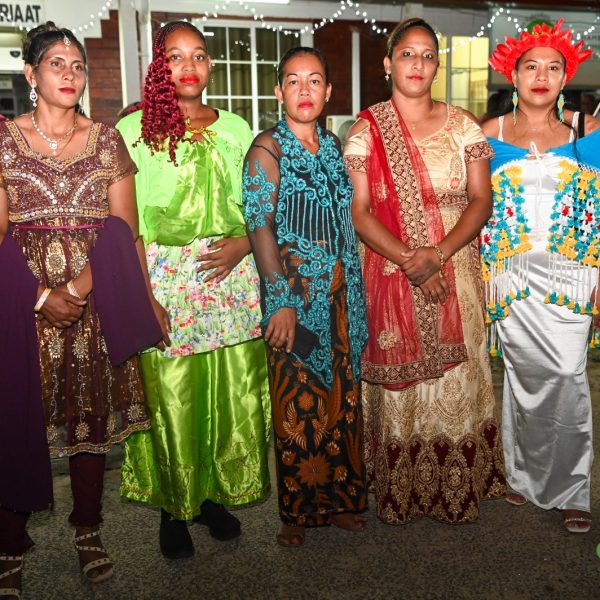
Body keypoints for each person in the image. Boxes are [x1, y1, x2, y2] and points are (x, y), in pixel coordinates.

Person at [0, 22, 165, 598]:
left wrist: (130, 295)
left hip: (94, 299)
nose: (69, 75)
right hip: (19, 302)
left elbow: (126, 231)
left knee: (89, 419)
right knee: (16, 414)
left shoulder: (106, 141)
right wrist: (40, 297)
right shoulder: (3, 140)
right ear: (31, 74)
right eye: (56, 64)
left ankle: (89, 531)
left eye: (77, 66)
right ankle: (8, 543)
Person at [116, 20, 271, 559]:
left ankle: (210, 496)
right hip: (164, 282)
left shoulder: (237, 128)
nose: (189, 66)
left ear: (210, 65)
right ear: (159, 65)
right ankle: (173, 506)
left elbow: (261, 206)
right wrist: (145, 299)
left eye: (199, 55)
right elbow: (128, 226)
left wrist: (244, 245)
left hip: (231, 280)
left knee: (227, 392)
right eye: (176, 56)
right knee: (172, 396)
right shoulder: (134, 130)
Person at [344, 18, 506, 526]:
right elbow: (360, 212)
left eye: (428, 55)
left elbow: (481, 200)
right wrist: (410, 259)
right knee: (403, 389)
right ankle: (401, 486)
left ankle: (456, 485)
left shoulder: (464, 126)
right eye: (407, 54)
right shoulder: (366, 130)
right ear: (388, 64)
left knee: (458, 379)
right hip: (390, 268)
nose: (418, 64)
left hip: (455, 269)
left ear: (438, 66)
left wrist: (437, 252)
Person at [242, 47, 369, 546]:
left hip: (341, 295)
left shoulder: (333, 145)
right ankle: (296, 512)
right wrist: (280, 301)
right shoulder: (266, 149)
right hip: (295, 299)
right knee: (297, 406)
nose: (304, 90)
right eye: (293, 81)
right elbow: (259, 227)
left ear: (328, 91)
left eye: (314, 81)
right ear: (279, 91)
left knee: (342, 401)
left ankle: (339, 501)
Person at [482, 18, 600, 533]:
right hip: (511, 277)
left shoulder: (587, 132)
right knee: (522, 379)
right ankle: (522, 474)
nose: (541, 77)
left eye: (553, 68)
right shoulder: (488, 134)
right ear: (514, 75)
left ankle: (573, 488)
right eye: (531, 66)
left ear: (565, 77)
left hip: (573, 276)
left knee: (569, 377)